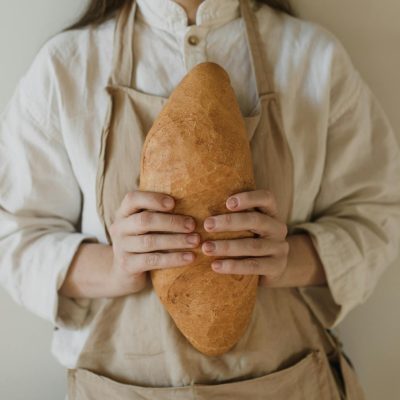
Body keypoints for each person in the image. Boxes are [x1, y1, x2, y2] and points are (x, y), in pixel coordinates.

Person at [1, 0, 399, 398]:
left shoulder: (312, 57)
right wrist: (116, 266)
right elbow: (13, 237)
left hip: (286, 383)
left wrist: (286, 260)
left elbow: (378, 215)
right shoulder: (68, 65)